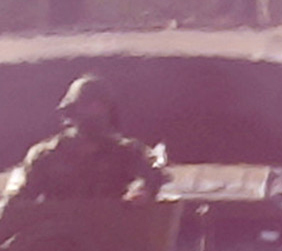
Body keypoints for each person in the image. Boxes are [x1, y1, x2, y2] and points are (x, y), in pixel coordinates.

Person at [11, 75, 166, 204]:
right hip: (59, 233)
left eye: (100, 107)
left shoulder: (127, 152)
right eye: (87, 106)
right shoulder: (47, 155)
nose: (95, 113)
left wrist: (142, 189)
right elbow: (21, 199)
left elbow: (151, 176)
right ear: (72, 111)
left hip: (110, 231)